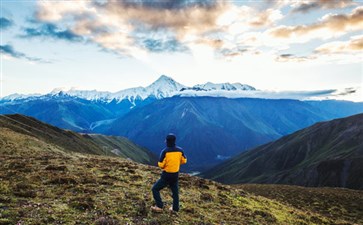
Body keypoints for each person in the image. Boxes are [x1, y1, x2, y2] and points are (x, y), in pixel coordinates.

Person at [151, 133, 187, 212]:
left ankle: (159, 206)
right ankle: (175, 209)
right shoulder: (180, 150)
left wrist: (166, 165)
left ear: (167, 141)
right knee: (175, 192)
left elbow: (161, 164)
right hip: (175, 175)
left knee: (155, 189)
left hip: (166, 175)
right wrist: (176, 163)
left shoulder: (165, 151)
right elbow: (184, 161)